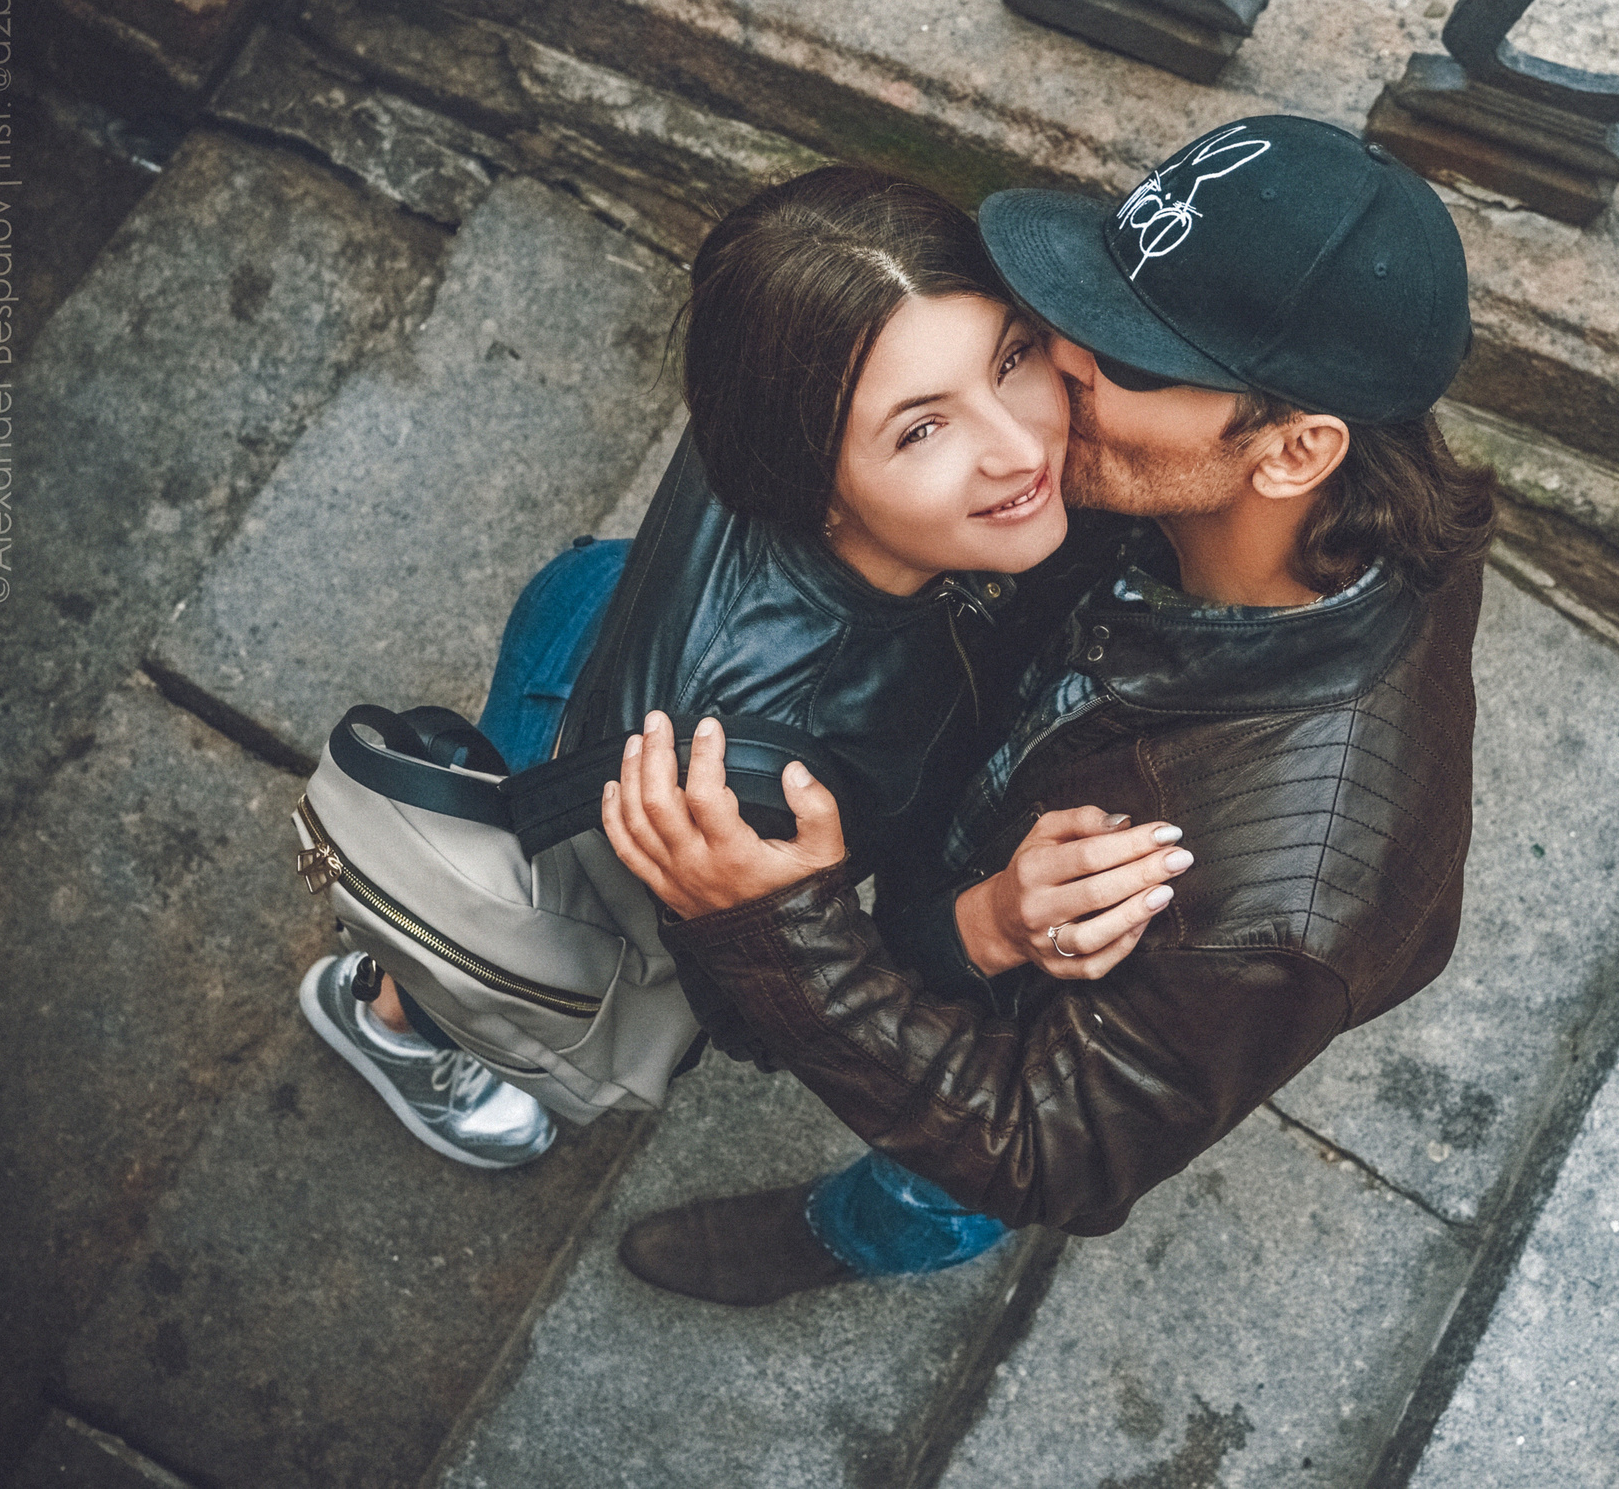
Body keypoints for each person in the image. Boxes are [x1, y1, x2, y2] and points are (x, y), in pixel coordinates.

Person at [599, 115, 1495, 1302]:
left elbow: (1048, 1150)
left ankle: (848, 1236)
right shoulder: (1254, 496)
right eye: (1086, 313)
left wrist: (780, 928)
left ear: (1291, 452)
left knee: (940, 1190)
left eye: (1125, 359)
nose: (1058, 364)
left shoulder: (1276, 915)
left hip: (1032, 1045)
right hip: (981, 871)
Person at [298, 167, 1185, 1171]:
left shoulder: (796, 360)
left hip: (609, 609)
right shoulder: (740, 789)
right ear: (811, 482)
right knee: (518, 915)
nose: (1020, 446)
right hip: (636, 762)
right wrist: (977, 925)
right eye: (922, 427)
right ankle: (395, 1015)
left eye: (1012, 358)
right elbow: (754, 1013)